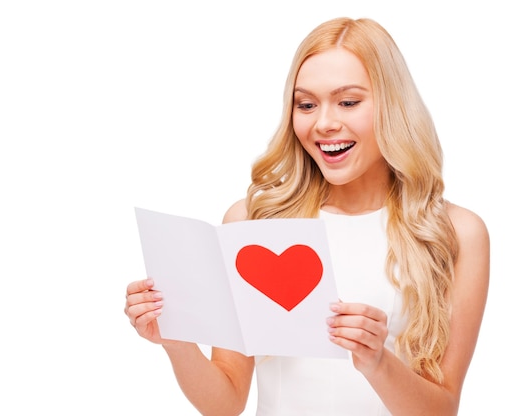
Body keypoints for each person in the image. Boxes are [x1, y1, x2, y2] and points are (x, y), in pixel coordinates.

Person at [124, 16, 490, 416]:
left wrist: (378, 363)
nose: (324, 123)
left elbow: (442, 409)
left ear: (393, 105)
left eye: (348, 102)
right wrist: (177, 341)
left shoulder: (456, 232)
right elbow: (225, 403)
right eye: (306, 104)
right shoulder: (253, 223)